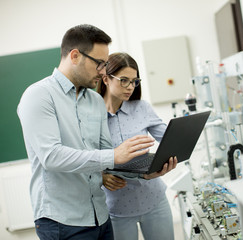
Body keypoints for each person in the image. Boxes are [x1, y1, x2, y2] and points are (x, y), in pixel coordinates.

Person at [17, 24, 157, 240]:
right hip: (62, 222)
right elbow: (51, 157)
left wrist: (145, 171)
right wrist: (113, 154)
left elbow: (104, 155)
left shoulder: (94, 100)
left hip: (100, 217)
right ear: (75, 56)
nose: (103, 72)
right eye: (100, 64)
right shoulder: (38, 96)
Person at [96, 52, 177, 240]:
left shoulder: (142, 108)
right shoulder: (91, 115)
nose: (130, 87)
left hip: (154, 200)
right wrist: (101, 176)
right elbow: (82, 156)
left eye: (134, 81)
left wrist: (164, 161)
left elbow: (168, 139)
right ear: (106, 79)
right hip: (117, 208)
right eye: (124, 80)